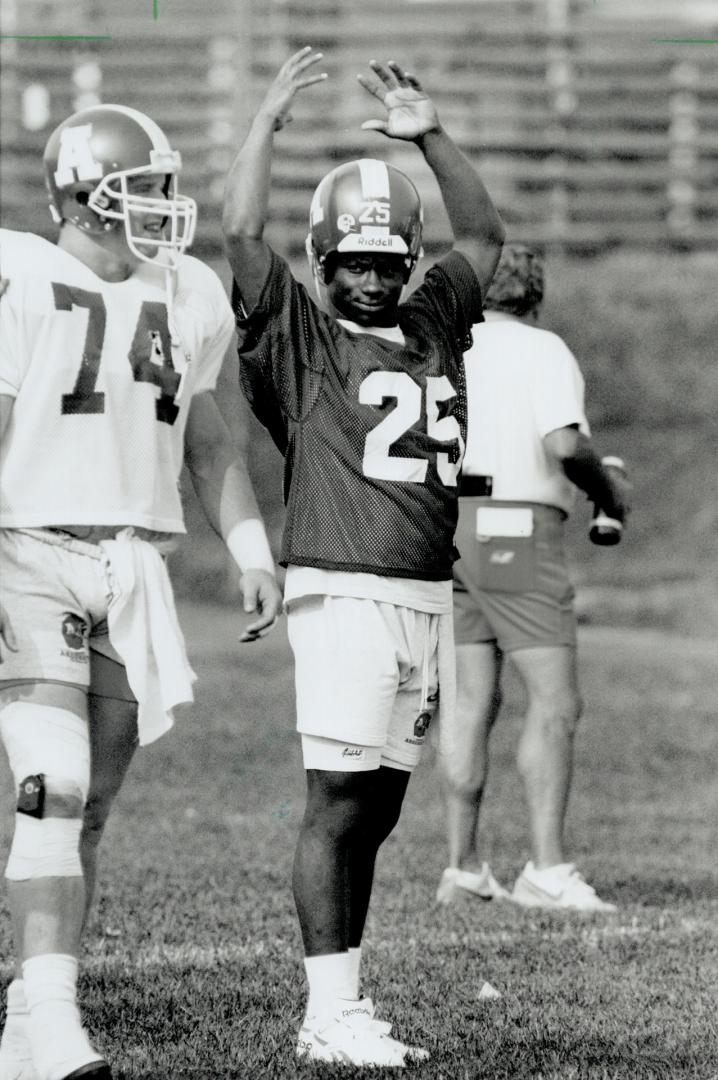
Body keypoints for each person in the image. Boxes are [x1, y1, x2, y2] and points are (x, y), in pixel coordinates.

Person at [222, 47, 504, 1067]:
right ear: (323, 259)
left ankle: (344, 997)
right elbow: (241, 233)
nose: (374, 278)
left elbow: (484, 234)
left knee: (378, 804)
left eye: (389, 261)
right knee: (337, 802)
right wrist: (265, 125)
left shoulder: (433, 322)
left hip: (424, 594)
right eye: (354, 261)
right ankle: (324, 1013)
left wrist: (429, 135)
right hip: (343, 591)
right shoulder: (300, 337)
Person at [0, 104, 282, 1080]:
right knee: (53, 785)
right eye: (142, 188)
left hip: (132, 567)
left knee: (88, 811)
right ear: (83, 192)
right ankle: (47, 1022)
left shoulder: (187, 289)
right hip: (26, 547)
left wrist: (249, 546)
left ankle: (28, 1000)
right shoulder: (22, 276)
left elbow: (210, 441)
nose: (162, 206)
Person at [435, 242, 630, 912]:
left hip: (444, 524)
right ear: (533, 293)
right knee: (555, 702)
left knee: (470, 703)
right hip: (512, 529)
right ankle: (546, 869)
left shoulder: (447, 345)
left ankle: (462, 867)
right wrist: (611, 490)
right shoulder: (542, 349)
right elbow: (563, 445)